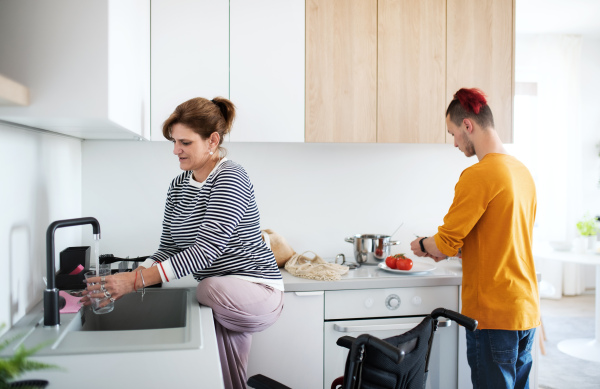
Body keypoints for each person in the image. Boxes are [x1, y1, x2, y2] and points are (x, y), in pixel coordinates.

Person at [82, 96, 285, 389]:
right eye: (174, 141)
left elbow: (205, 251)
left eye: (185, 143)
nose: (176, 150)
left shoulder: (231, 177)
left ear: (212, 141)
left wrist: (133, 282)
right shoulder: (178, 186)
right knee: (226, 377)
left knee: (206, 288)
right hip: (221, 294)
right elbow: (168, 247)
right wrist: (122, 279)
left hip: (258, 292)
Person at [409, 88, 540, 389]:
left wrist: (425, 245)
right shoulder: (523, 173)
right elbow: (502, 239)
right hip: (525, 309)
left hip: (493, 315)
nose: (454, 143)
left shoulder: (479, 174)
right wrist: (451, 251)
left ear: (468, 125)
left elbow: (444, 242)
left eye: (453, 133)